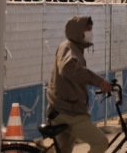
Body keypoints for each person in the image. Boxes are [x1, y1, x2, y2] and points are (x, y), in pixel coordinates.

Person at [46, 15, 113, 153]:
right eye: (87, 29)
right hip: (68, 112)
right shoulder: (68, 48)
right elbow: (69, 69)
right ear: (78, 31)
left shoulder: (75, 49)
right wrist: (98, 81)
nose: (90, 33)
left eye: (91, 29)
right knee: (100, 142)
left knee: (64, 150)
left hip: (64, 109)